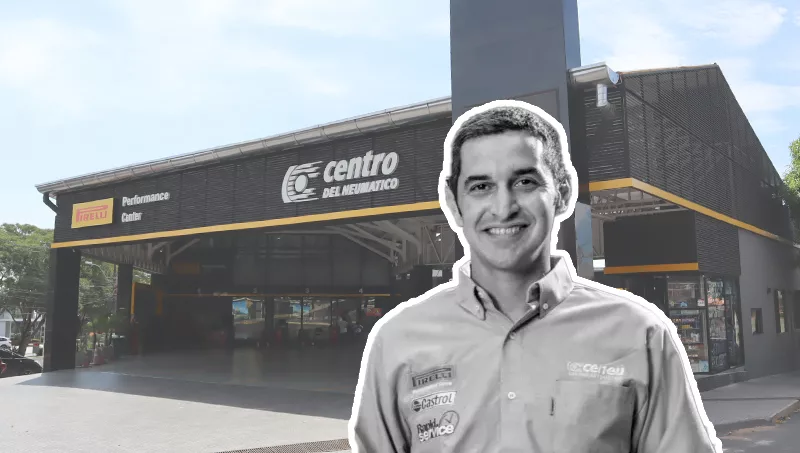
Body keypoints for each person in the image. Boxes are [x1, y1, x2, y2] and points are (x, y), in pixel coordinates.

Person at [348, 100, 723, 453]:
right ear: (454, 203)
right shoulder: (396, 341)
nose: (503, 208)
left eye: (525, 182)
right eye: (481, 187)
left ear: (562, 193)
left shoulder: (639, 334)